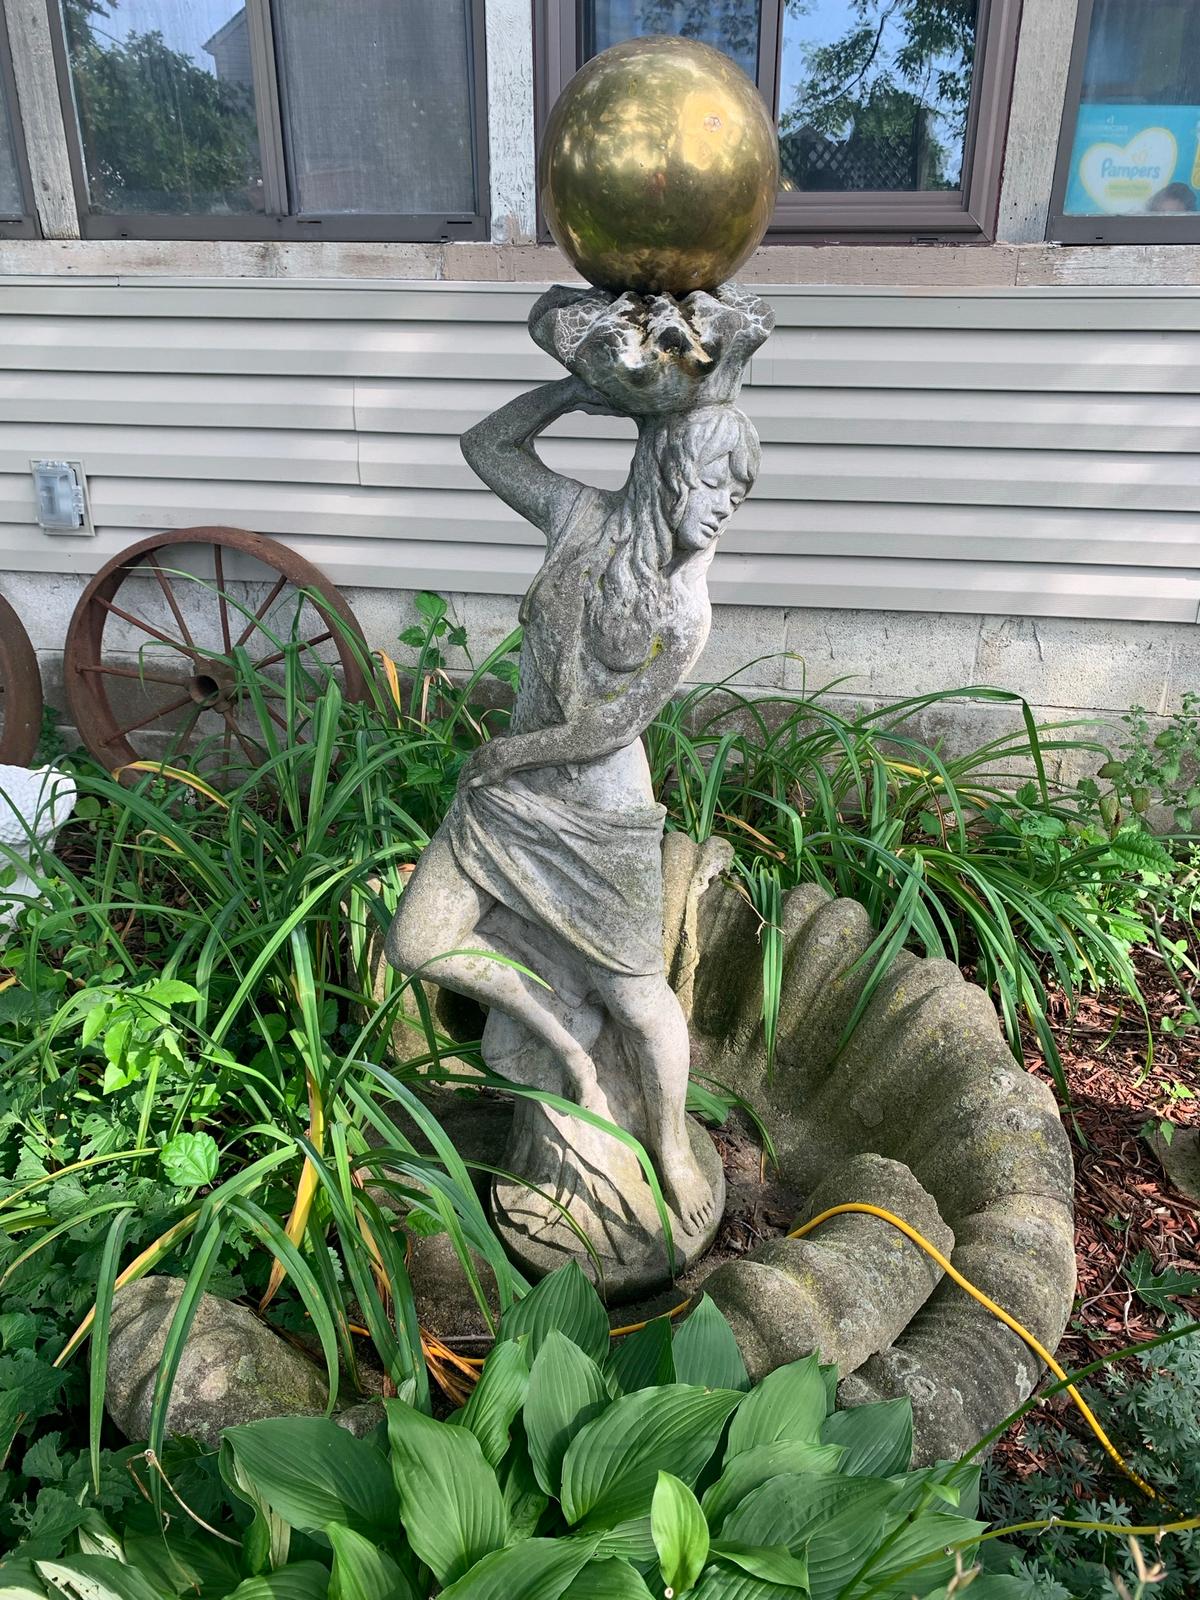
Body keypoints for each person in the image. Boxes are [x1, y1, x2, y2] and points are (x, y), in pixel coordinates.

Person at [387, 373, 760, 1233]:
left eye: (736, 495)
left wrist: (505, 752)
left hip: (598, 818)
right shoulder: (575, 517)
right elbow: (485, 446)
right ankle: (556, 1035)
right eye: (714, 483)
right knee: (415, 941)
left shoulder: (685, 603)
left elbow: (613, 724)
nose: (723, 508)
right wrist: (574, 389)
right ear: (669, 465)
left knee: (636, 999)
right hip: (507, 798)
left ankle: (665, 1142)